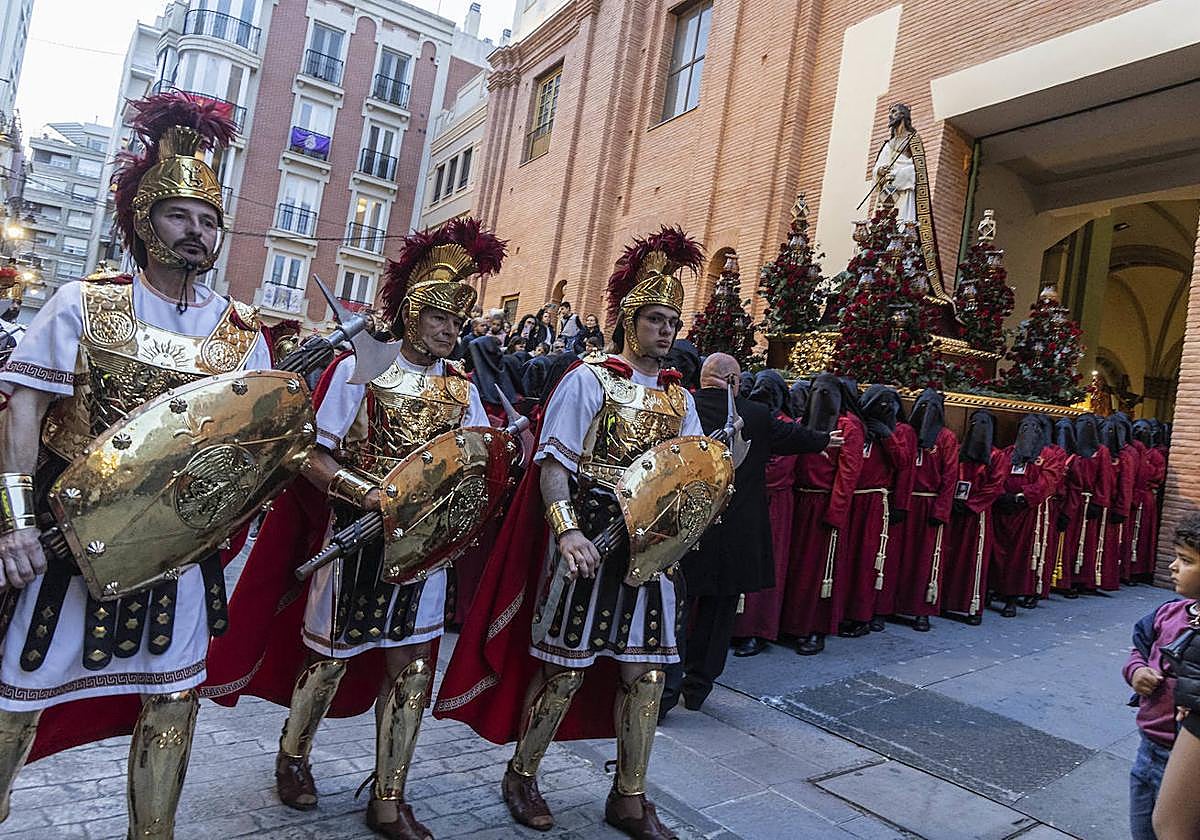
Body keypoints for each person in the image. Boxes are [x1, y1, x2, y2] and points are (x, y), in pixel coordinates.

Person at [0, 92, 271, 835]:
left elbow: (250, 455)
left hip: (178, 553)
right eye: (181, 214)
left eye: (209, 220)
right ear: (143, 220)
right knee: (13, 705)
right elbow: (21, 412)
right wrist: (14, 525)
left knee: (173, 704)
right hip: (67, 538)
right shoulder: (82, 303)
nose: (197, 231)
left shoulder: (242, 334)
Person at [206, 218, 506, 840]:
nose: (453, 331)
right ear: (415, 311)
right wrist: (369, 493)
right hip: (356, 539)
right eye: (443, 318)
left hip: (423, 548)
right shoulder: (358, 369)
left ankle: (389, 796)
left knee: (413, 669)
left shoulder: (461, 387)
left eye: (459, 321)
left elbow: (479, 459)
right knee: (330, 662)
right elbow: (311, 455)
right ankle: (294, 755)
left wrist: (504, 458)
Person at [435, 226, 713, 840]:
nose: (666, 331)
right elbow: (555, 465)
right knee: (563, 670)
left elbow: (688, 475)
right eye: (655, 319)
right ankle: (523, 773)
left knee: (647, 677)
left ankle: (630, 798)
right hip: (589, 540)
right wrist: (566, 534)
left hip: (649, 549)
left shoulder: (679, 399)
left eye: (673, 321)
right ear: (629, 320)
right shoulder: (589, 380)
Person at [663, 357, 840, 713]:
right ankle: (697, 690)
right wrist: (823, 439)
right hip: (735, 533)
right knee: (718, 614)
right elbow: (793, 436)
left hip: (686, 531)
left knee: (675, 609)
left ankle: (665, 691)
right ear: (733, 380)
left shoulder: (680, 406)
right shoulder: (756, 415)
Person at [1123, 513, 1200, 840]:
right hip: (1149, 746)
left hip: (1184, 756)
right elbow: (1137, 648)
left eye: (1185, 560)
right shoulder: (1168, 613)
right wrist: (1136, 672)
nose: (1173, 566)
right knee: (1142, 829)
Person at [780, 374, 866, 655]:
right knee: (795, 568)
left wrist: (836, 513)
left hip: (823, 504)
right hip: (798, 500)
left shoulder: (848, 427)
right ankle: (791, 624)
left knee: (819, 571)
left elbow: (848, 473)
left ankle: (815, 628)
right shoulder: (804, 420)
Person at [732, 372, 805, 654]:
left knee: (766, 563)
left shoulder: (786, 425)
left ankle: (756, 630)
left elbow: (778, 469)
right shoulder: (749, 420)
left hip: (774, 502)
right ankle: (736, 626)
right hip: (750, 497)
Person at [892, 388, 958, 631]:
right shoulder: (907, 433)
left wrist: (941, 510)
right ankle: (890, 605)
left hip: (929, 504)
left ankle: (922, 610)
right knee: (895, 556)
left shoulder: (945, 438)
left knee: (925, 559)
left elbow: (950, 476)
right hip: (906, 501)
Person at [989, 414, 1066, 617]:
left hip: (1027, 512)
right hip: (1003, 509)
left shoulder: (1049, 455)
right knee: (997, 552)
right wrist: (1001, 495)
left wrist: (1024, 496)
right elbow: (997, 475)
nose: (1028, 431)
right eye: (1023, 427)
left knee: (1019, 556)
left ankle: (1013, 597)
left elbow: (1049, 480)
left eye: (1032, 427)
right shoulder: (1007, 453)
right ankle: (995, 589)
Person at [940, 410, 1009, 625]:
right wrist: (952, 500)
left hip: (977, 514)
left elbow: (995, 486)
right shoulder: (960, 450)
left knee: (973, 558)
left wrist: (971, 505)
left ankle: (972, 605)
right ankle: (945, 601)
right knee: (950, 555)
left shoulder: (996, 456)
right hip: (956, 510)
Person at [1131, 420, 1167, 583]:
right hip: (1132, 496)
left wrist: (1144, 464)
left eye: (1145, 429)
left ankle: (1139, 570)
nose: (1141, 432)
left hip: (1146, 499)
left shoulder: (1156, 455)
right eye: (1137, 428)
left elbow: (1157, 476)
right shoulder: (1131, 451)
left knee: (1143, 535)